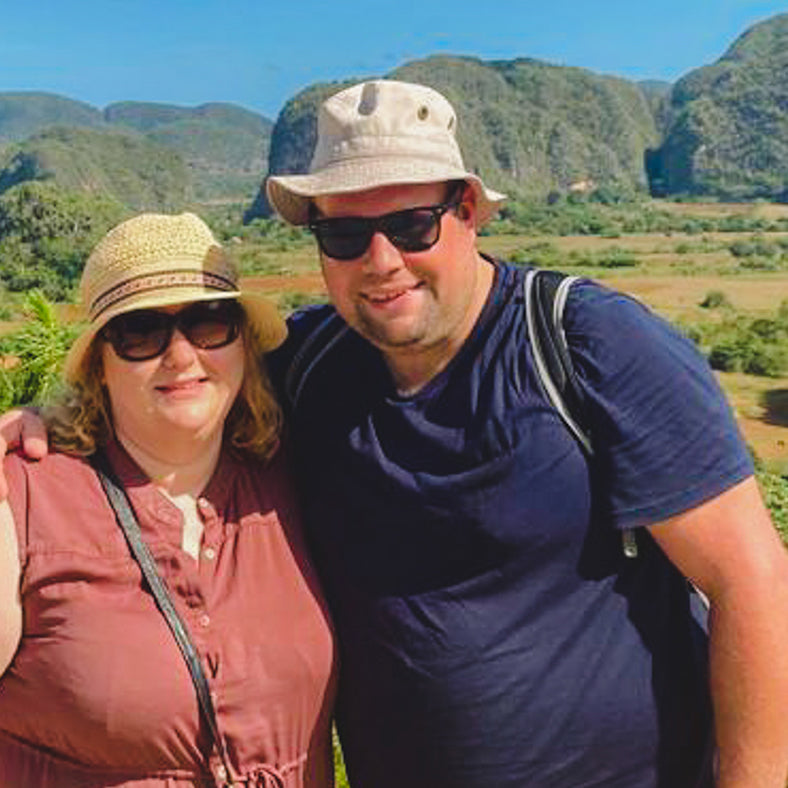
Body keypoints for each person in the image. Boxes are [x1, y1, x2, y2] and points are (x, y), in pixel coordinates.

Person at [3, 81, 788, 787]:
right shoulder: (308, 363)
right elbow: (175, 384)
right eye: (345, 237)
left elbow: (751, 580)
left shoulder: (589, 346)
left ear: (469, 213)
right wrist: (49, 414)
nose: (382, 262)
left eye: (412, 225)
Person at [0, 212, 337, 787]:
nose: (181, 356)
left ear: (242, 344)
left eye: (209, 323)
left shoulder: (295, 475)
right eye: (141, 332)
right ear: (99, 366)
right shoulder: (23, 493)